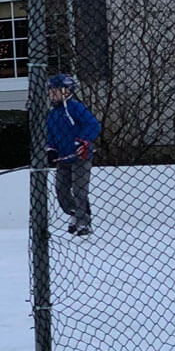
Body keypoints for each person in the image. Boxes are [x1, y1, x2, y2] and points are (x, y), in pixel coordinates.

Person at [45, 73, 102, 236]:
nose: (52, 95)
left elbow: (93, 125)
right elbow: (50, 135)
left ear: (67, 91)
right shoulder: (53, 114)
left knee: (79, 190)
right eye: (51, 92)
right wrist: (51, 150)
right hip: (64, 158)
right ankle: (74, 214)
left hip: (81, 158)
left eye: (56, 91)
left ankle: (84, 223)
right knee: (61, 190)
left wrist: (83, 142)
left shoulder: (76, 108)